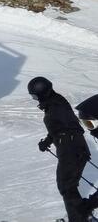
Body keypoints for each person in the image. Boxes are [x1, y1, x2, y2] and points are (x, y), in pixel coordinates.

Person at [30, 76, 92, 222]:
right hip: (71, 147)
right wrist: (48, 140)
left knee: (66, 186)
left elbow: (70, 127)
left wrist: (69, 146)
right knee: (67, 185)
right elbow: (59, 128)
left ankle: (79, 217)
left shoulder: (56, 105)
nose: (34, 99)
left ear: (42, 92)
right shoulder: (53, 103)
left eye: (34, 95)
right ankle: (79, 215)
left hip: (71, 149)